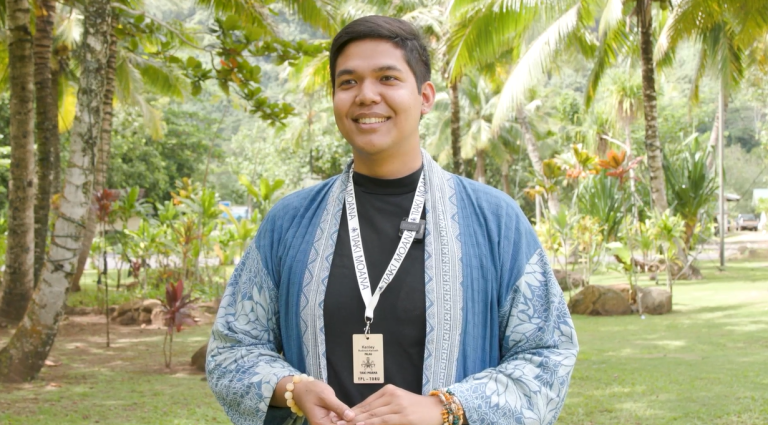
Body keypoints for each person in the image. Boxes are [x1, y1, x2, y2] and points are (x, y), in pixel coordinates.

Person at [207, 15, 578, 425]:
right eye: (348, 82)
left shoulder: (495, 220)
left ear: (424, 97)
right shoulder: (290, 222)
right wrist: (293, 389)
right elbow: (232, 349)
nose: (366, 95)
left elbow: (547, 354)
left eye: (387, 78)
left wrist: (444, 407)